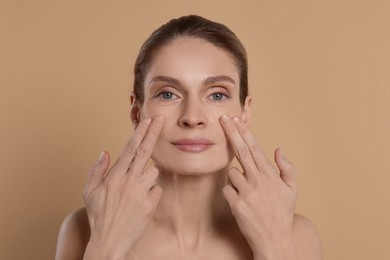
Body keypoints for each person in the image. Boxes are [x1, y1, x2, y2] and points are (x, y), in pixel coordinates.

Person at [55, 15, 322, 260]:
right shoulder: (85, 229)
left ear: (245, 110)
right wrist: (106, 246)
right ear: (137, 112)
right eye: (168, 94)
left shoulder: (295, 234)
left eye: (217, 95)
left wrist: (275, 246)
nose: (192, 117)